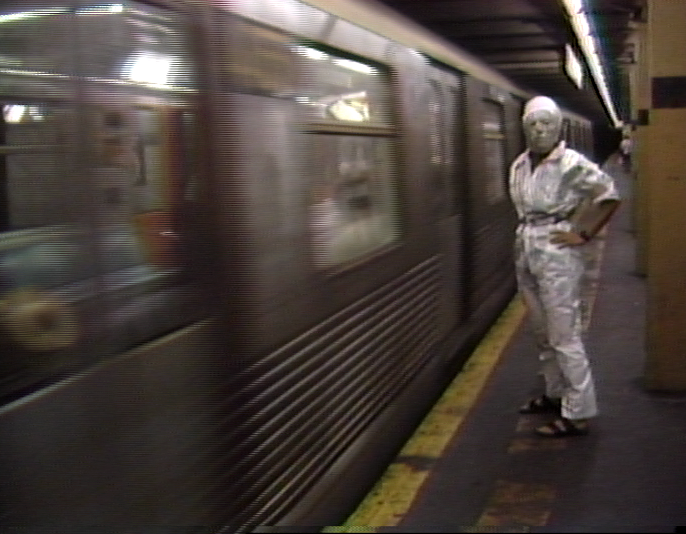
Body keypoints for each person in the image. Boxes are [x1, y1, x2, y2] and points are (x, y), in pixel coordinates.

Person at [509, 96, 621, 437]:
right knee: (542, 332)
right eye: (533, 124)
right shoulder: (519, 165)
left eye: (546, 123)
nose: (540, 130)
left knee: (563, 334)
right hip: (527, 244)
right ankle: (554, 393)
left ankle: (578, 413)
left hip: (556, 247)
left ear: (558, 126)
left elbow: (609, 195)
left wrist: (583, 233)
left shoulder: (572, 163)